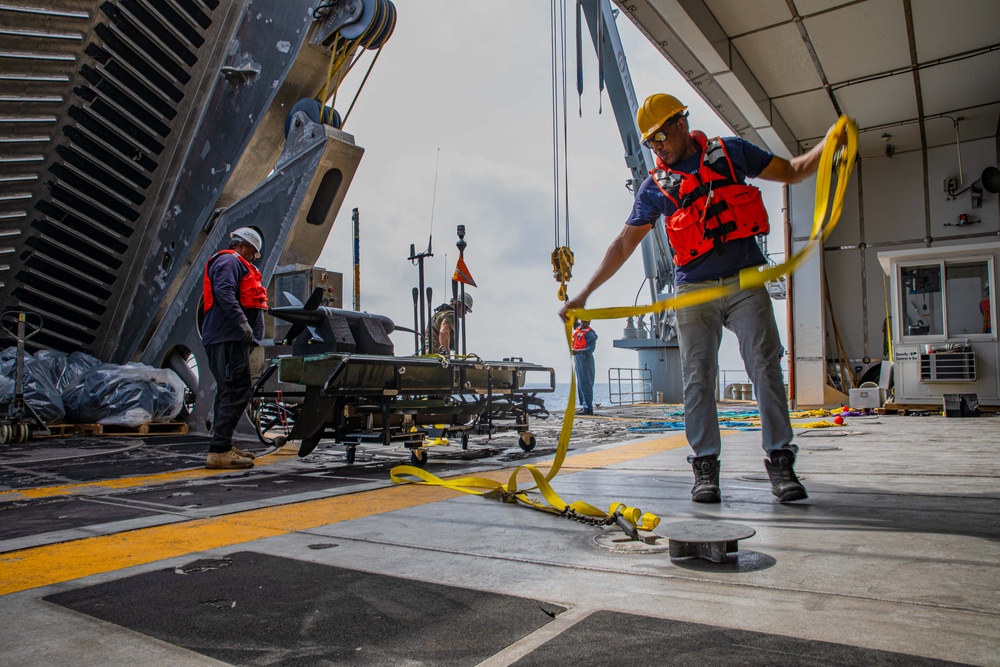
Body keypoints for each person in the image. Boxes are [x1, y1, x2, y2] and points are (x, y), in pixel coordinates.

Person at [560, 93, 846, 504]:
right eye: (649, 142)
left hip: (744, 281)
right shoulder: (654, 188)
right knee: (697, 379)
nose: (656, 146)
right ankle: (705, 467)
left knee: (765, 366)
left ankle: (781, 461)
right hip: (694, 290)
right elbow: (623, 244)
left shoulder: (730, 153)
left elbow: (795, 171)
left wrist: (829, 144)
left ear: (680, 123)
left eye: (660, 135)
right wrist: (584, 294)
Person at [201, 227, 268, 469]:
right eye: (253, 252)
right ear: (242, 246)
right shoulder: (229, 261)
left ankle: (223, 445)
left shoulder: (238, 264)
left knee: (229, 391)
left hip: (232, 339)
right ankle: (219, 451)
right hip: (228, 337)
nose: (253, 257)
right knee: (236, 389)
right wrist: (242, 322)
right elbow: (224, 291)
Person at [572, 320, 598, 415]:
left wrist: (579, 351)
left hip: (585, 358)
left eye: (585, 322)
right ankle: (584, 406)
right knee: (580, 384)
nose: (582, 323)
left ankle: (588, 408)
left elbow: (591, 349)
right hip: (578, 358)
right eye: (582, 321)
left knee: (586, 383)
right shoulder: (578, 328)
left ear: (588, 322)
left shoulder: (590, 334)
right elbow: (572, 318)